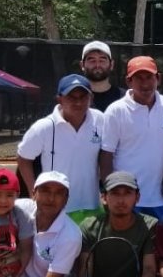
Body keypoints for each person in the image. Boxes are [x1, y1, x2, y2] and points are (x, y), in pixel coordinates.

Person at [75, 171, 160, 277]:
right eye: (115, 193)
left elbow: (150, 269)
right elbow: (84, 271)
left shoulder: (150, 225)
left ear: (137, 197)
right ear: (104, 197)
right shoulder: (88, 227)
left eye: (127, 193)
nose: (121, 200)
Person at [99, 56, 163, 219]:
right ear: (129, 82)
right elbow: (106, 155)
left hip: (159, 198)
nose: (145, 84)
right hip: (127, 199)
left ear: (158, 79)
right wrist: (109, 192)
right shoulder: (116, 110)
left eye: (149, 77)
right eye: (138, 78)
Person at [17, 74, 104, 222]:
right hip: (57, 210)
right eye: (71, 97)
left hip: (92, 207)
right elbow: (24, 157)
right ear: (60, 99)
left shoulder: (101, 120)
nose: (78, 102)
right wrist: (34, 191)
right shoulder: (43, 127)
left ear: (91, 98)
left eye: (83, 97)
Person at [15, 171, 85, 277]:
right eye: (45, 190)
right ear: (33, 193)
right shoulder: (20, 209)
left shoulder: (70, 235)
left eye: (59, 193)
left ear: (66, 200)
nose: (51, 198)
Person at [80, 41, 124, 113]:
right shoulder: (74, 100)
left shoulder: (124, 98)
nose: (97, 65)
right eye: (92, 60)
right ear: (82, 65)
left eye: (102, 60)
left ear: (111, 64)